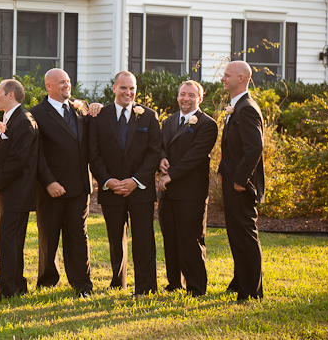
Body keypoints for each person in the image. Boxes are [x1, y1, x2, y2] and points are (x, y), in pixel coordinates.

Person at [88, 71, 161, 296]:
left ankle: (145, 287)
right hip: (112, 190)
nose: (128, 93)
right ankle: (118, 280)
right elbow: (93, 153)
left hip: (140, 190)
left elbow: (154, 153)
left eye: (132, 88)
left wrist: (135, 181)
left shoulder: (148, 116)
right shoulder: (99, 115)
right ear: (114, 89)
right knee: (115, 239)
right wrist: (108, 181)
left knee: (143, 239)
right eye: (123, 88)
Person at [30, 68, 93, 298]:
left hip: (79, 187)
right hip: (51, 188)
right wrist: (48, 182)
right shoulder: (36, 113)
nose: (67, 86)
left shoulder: (81, 109)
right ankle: (47, 281)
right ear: (48, 86)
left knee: (78, 236)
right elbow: (36, 154)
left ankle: (82, 285)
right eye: (61, 83)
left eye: (68, 82)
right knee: (49, 237)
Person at [158, 80, 218, 297]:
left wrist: (170, 175)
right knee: (170, 238)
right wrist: (161, 160)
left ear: (199, 99)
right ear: (177, 96)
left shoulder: (207, 124)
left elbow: (195, 156)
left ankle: (196, 287)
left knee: (191, 239)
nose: (186, 98)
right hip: (168, 193)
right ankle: (174, 283)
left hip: (191, 192)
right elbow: (161, 146)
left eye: (191, 95)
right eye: (183, 94)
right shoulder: (168, 122)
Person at [0, 78, 40, 299]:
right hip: (8, 192)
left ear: (11, 95)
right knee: (10, 241)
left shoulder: (24, 122)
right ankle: (17, 285)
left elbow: (18, 161)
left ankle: (8, 290)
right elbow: (5, 157)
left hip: (16, 193)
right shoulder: (10, 118)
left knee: (8, 241)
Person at [218, 60, 265, 302]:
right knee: (235, 234)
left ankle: (251, 291)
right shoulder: (236, 105)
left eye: (227, 75)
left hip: (240, 184)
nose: (223, 78)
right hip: (231, 179)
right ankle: (240, 282)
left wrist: (240, 180)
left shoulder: (246, 108)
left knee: (245, 234)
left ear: (241, 78)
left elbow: (255, 147)